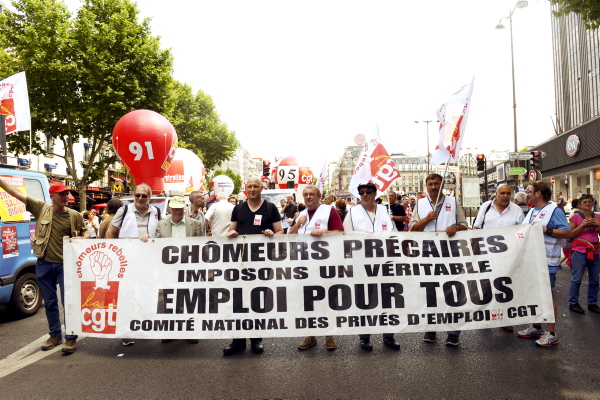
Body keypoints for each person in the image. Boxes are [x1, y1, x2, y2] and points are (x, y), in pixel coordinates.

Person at [0, 179, 89, 354]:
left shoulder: (74, 215)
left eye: (66, 194)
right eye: (61, 194)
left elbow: (86, 231)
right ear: (52, 196)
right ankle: (55, 335)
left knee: (68, 302)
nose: (66, 197)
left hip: (66, 265)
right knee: (49, 303)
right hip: (44, 263)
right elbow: (15, 193)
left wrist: (83, 238)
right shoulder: (41, 208)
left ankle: (70, 338)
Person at [223, 176, 283, 355]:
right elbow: (230, 230)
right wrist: (231, 233)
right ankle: (238, 341)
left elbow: (280, 231)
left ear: (262, 188)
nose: (253, 189)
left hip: (262, 261)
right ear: (245, 189)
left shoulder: (270, 208)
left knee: (257, 300)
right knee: (238, 300)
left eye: (256, 186)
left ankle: (256, 339)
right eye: (249, 186)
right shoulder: (238, 208)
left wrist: (273, 233)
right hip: (241, 261)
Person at [410, 173, 468, 346]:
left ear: (443, 185)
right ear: (426, 186)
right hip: (427, 253)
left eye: (437, 184)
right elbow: (413, 229)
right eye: (430, 184)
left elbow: (465, 225)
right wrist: (427, 218)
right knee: (431, 292)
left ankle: (453, 333)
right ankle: (431, 328)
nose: (434, 187)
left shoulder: (453, 202)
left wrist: (455, 227)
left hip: (450, 253)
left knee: (452, 291)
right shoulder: (419, 204)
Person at [343, 182, 400, 351]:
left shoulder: (385, 210)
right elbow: (345, 235)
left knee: (387, 300)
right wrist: (362, 236)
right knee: (364, 301)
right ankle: (365, 337)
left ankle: (389, 336)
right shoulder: (352, 212)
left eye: (368, 192)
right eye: (361, 193)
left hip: (384, 262)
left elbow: (394, 233)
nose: (365, 195)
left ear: (375, 193)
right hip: (362, 263)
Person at [289, 185, 344, 351]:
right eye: (305, 194)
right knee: (308, 300)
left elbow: (340, 232)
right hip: (305, 264)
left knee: (327, 298)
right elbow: (290, 237)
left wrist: (324, 233)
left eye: (312, 194)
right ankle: (311, 335)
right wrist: (297, 224)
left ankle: (329, 335)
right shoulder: (302, 214)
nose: (308, 197)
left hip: (325, 263)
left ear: (319, 196)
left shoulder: (329, 211)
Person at [106, 183, 161, 346]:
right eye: (137, 195)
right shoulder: (124, 211)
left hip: (148, 262)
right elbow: (110, 232)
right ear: (134, 196)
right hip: (127, 262)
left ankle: (144, 327)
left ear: (149, 198)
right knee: (127, 296)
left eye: (144, 196)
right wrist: (113, 254)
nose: (140, 198)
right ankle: (126, 331)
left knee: (147, 294)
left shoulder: (156, 212)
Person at [517, 181, 570, 347]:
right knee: (535, 295)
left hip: (547, 261)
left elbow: (566, 232)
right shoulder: (533, 210)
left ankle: (551, 332)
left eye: (530, 191)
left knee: (548, 296)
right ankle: (536, 326)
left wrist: (546, 230)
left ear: (539, 193)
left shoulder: (554, 210)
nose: (528, 193)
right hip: (532, 260)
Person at [473, 184, 525, 332]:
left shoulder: (517, 211)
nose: (505, 196)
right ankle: (486, 316)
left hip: (508, 257)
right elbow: (476, 228)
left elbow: (523, 231)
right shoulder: (486, 207)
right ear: (496, 194)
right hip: (486, 254)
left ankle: (504, 319)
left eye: (508, 193)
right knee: (486, 285)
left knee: (504, 287)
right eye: (502, 193)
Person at [156, 195, 204, 344]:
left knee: (189, 299)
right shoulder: (161, 225)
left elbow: (200, 246)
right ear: (170, 209)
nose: (177, 211)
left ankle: (191, 330)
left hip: (189, 268)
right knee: (170, 299)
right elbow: (156, 245)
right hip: (169, 269)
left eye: (180, 208)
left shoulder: (195, 224)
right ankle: (171, 331)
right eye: (174, 208)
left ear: (185, 208)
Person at [566, 194, 600, 315]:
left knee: (595, 279)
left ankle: (592, 303)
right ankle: (573, 303)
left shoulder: (598, 217)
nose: (587, 204)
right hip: (579, 250)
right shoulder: (575, 217)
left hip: (595, 250)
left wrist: (597, 224)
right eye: (585, 202)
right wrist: (582, 225)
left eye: (589, 202)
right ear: (580, 205)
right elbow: (570, 234)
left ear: (592, 203)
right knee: (576, 278)